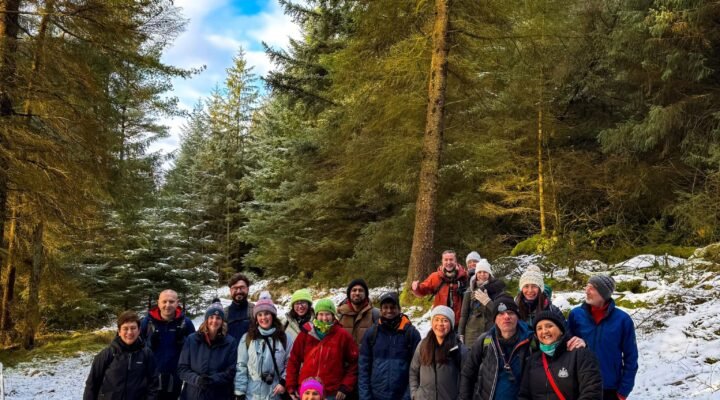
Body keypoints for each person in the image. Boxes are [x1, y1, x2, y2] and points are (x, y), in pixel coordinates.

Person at [568, 275, 638, 400]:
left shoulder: (623, 320)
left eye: (592, 288)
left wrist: (624, 390)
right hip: (581, 385)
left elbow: (631, 357)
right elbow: (566, 348)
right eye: (587, 286)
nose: (586, 291)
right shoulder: (576, 315)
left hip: (610, 388)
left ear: (603, 293)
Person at [459, 296, 533, 400]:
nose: (506, 317)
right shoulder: (485, 341)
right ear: (495, 319)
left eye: (511, 313)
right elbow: (468, 373)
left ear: (518, 317)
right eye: (501, 314)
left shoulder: (530, 341)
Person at [518, 309, 603, 400]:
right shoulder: (533, 360)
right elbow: (524, 395)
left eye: (549, 326)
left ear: (561, 330)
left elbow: (592, 391)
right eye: (539, 328)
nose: (544, 331)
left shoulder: (580, 354)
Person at [286, 298, 359, 400]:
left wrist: (345, 386)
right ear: (316, 315)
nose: (324, 318)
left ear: (333, 316)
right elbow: (294, 360)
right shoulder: (306, 333)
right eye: (321, 314)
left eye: (327, 314)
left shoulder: (342, 335)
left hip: (331, 393)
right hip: (307, 391)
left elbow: (354, 363)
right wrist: (291, 385)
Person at [358, 291, 421, 400]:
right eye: (385, 307)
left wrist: (408, 396)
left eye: (392, 307)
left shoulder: (411, 333)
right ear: (380, 310)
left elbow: (418, 369)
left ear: (399, 309)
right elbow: (363, 368)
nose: (389, 310)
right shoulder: (372, 333)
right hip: (376, 396)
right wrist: (365, 397)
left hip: (402, 395)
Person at [84, 311, 158, 400]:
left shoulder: (146, 354)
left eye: (133, 328)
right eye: (125, 328)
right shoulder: (107, 354)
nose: (129, 332)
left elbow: (153, 384)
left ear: (139, 330)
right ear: (119, 331)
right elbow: (92, 384)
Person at [234, 291, 294, 400]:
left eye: (267, 313)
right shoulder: (247, 338)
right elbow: (241, 367)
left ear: (273, 316)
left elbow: (291, 363)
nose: (263, 318)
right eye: (260, 314)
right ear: (256, 318)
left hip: (275, 395)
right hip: (252, 395)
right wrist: (240, 392)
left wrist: (283, 382)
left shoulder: (285, 338)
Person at [141, 289, 196, 400]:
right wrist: (149, 343)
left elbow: (194, 349)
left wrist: (183, 341)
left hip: (175, 376)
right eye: (164, 301)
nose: (167, 305)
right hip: (151, 375)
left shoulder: (186, 323)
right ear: (158, 303)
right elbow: (137, 346)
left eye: (171, 301)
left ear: (177, 302)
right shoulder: (147, 322)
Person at [178, 301, 237, 400]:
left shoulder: (230, 342)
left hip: (219, 395)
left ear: (222, 321)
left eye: (218, 318)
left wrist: (212, 380)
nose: (214, 321)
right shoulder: (192, 340)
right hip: (193, 394)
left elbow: (231, 371)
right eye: (211, 317)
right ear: (206, 319)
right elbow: (182, 369)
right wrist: (197, 380)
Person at [409, 305, 466, 400]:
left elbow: (467, 378)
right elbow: (413, 371)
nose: (440, 324)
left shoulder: (459, 349)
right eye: (436, 319)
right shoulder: (422, 345)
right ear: (432, 322)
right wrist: (415, 394)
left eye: (445, 320)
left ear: (451, 324)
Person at [411, 250, 469, 327]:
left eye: (451, 259)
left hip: (459, 321)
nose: (448, 262)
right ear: (442, 261)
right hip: (440, 321)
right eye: (446, 260)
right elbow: (423, 290)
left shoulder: (464, 276)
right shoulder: (435, 277)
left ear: (455, 261)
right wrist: (416, 288)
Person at [458, 258, 506, 346]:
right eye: (479, 272)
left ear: (489, 274)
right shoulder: (470, 290)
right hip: (472, 333)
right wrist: (461, 333)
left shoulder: (497, 290)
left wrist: (487, 302)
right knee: (471, 353)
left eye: (485, 272)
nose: (482, 275)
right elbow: (464, 315)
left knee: (487, 351)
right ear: (476, 274)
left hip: (489, 331)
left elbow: (500, 312)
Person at [337, 278, 379, 345]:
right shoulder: (339, 314)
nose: (357, 293)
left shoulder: (376, 314)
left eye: (360, 290)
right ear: (349, 294)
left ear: (366, 294)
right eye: (354, 290)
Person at [226, 273, 255, 349]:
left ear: (247, 289)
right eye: (235, 288)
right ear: (230, 291)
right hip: (229, 355)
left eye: (242, 287)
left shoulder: (255, 311)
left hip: (250, 354)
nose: (238, 291)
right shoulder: (224, 313)